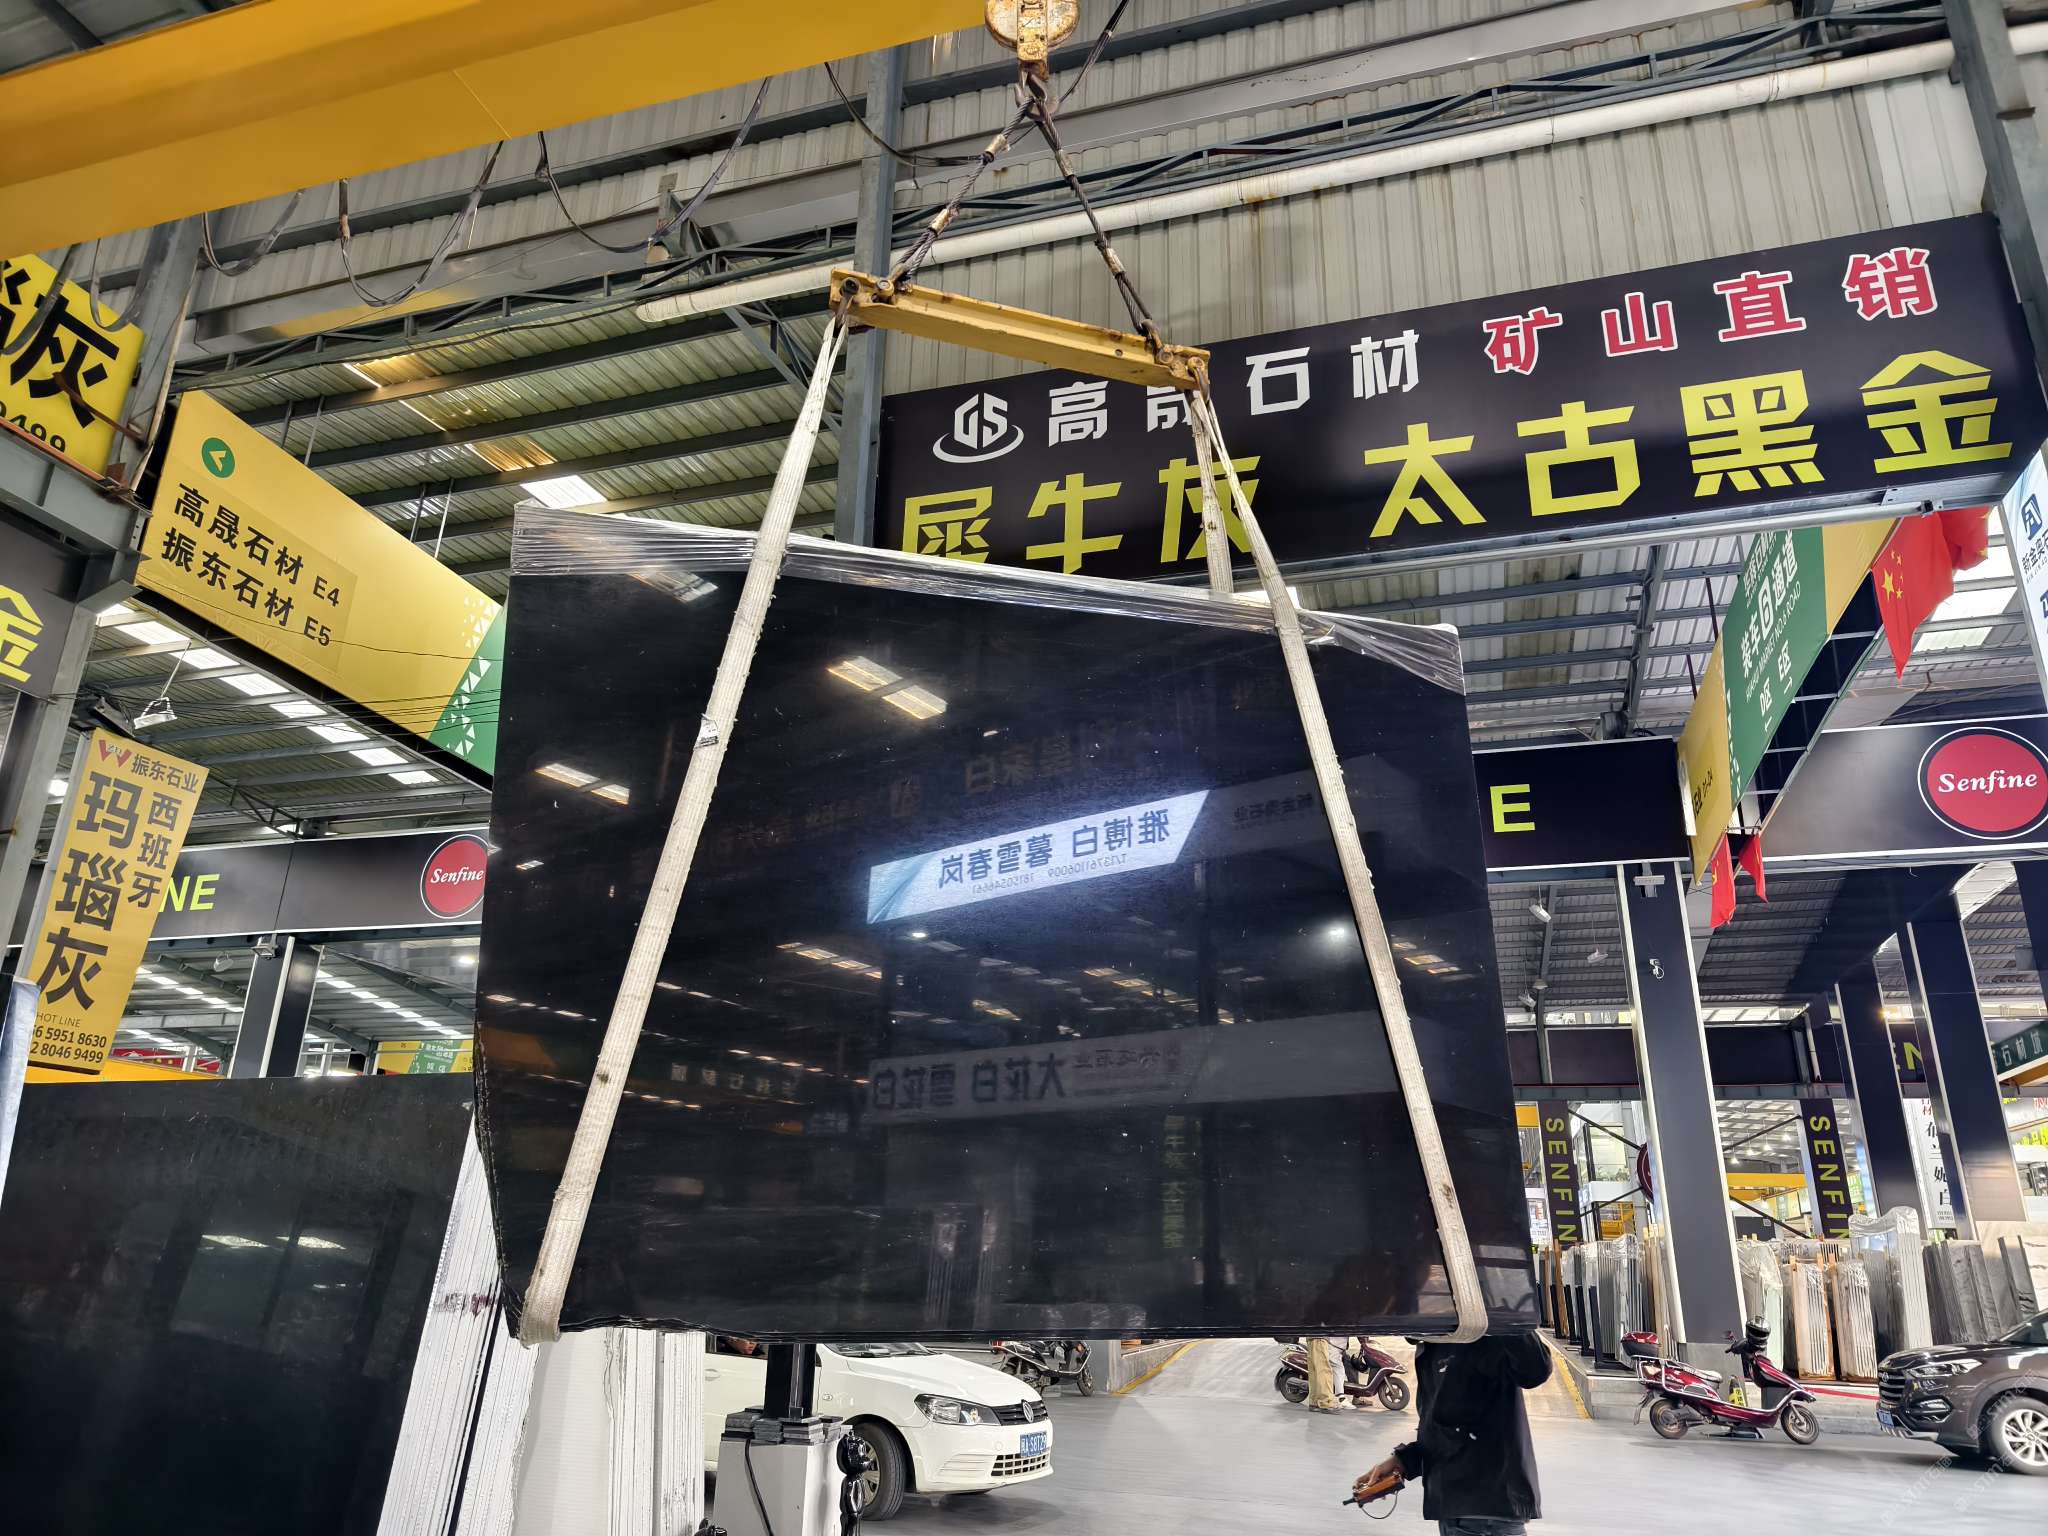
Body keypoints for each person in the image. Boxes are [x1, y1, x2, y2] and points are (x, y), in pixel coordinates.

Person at [1354, 1333, 1550, 1535]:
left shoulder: (1480, 1335)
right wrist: (1403, 1462)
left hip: (1482, 1511)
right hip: (1463, 1510)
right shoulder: (1434, 1345)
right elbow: (1446, 1429)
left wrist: (1500, 1315)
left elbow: (1535, 1369)